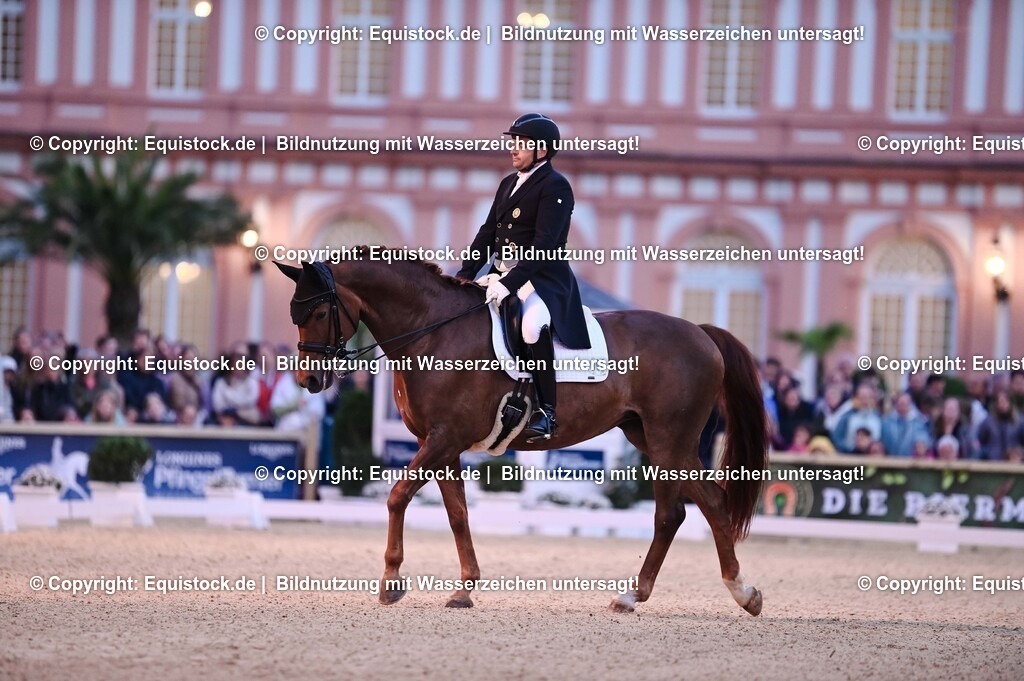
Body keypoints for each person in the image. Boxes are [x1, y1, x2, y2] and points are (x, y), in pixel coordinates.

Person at [456, 113, 590, 442]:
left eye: (522, 143)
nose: (513, 149)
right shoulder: (508, 183)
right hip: (501, 275)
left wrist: (508, 284)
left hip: (542, 281)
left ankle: (547, 411)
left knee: (531, 326)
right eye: (513, 142)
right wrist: (465, 274)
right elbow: (488, 233)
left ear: (542, 150)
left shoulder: (555, 186)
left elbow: (544, 246)